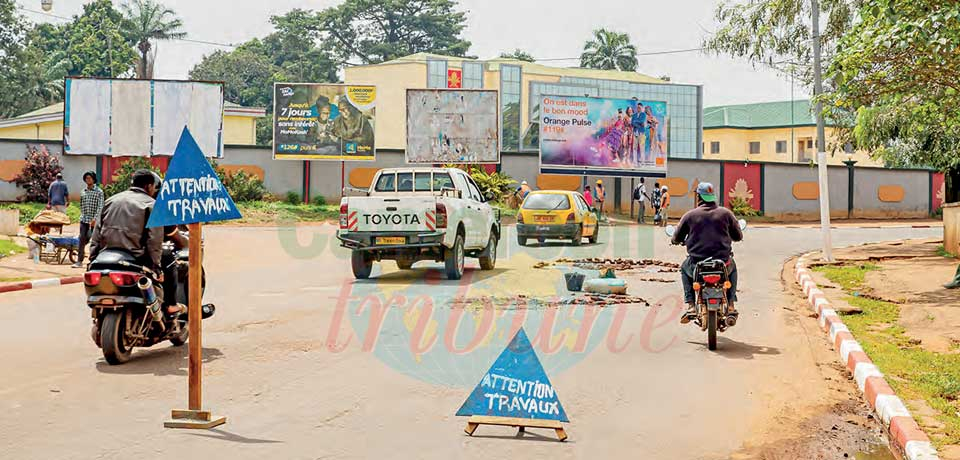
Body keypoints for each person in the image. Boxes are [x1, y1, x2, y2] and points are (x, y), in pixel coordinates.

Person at [89, 170, 178, 312]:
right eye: (154, 188)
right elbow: (154, 240)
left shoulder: (110, 200)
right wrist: (156, 266)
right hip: (136, 257)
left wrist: (92, 259)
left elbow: (96, 234)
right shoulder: (151, 204)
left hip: (106, 256)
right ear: (149, 186)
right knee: (169, 257)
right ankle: (171, 305)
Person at [671, 182, 743, 324]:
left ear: (698, 197)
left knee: (684, 269)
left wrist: (676, 240)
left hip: (696, 264)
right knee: (733, 268)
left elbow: (676, 237)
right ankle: (731, 304)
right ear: (712, 196)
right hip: (723, 263)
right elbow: (738, 236)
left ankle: (691, 304)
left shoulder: (689, 216)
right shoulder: (726, 214)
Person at [73, 172, 104, 268]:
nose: (88, 180)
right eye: (86, 178)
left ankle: (93, 261)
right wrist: (82, 216)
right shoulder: (83, 191)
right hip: (84, 219)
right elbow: (82, 205)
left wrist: (95, 219)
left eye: (90, 178)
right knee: (82, 239)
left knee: (93, 241)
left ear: (94, 179)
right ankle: (79, 261)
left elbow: (100, 206)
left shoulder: (99, 192)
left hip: (94, 221)